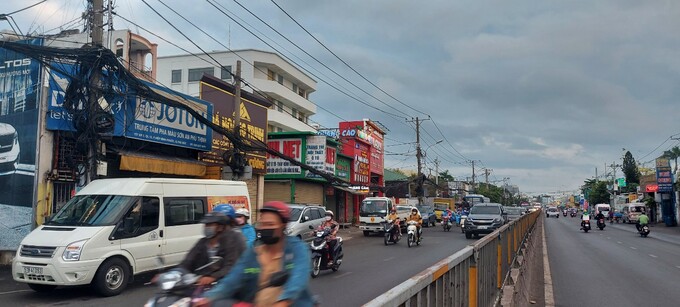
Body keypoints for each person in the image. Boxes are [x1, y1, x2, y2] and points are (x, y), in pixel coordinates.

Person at [195, 201, 314, 307]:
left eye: (270, 225)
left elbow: (299, 276)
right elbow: (234, 278)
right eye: (263, 224)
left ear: (283, 225)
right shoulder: (254, 252)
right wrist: (209, 297)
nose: (265, 228)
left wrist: (284, 301)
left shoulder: (297, 248)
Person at [177, 206, 245, 286]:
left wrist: (213, 277)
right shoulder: (203, 242)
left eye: (210, 225)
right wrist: (176, 272)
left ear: (221, 227)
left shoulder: (233, 239)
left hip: (228, 284)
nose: (206, 228)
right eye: (206, 225)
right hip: (204, 284)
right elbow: (188, 261)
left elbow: (231, 265)